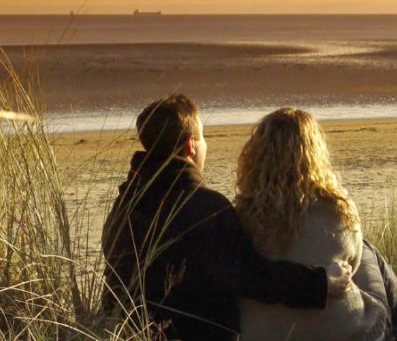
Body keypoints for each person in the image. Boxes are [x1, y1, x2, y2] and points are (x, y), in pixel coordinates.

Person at [100, 95, 352, 341]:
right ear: (191, 144)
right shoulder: (205, 207)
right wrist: (321, 283)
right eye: (204, 136)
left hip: (127, 328)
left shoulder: (125, 202)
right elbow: (252, 276)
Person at [235, 107, 397, 341]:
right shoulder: (336, 208)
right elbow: (352, 264)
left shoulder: (241, 216)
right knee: (366, 251)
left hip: (263, 335)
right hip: (351, 334)